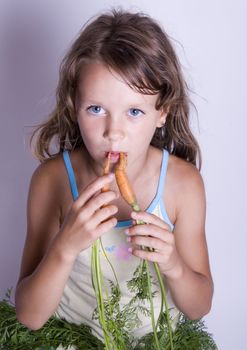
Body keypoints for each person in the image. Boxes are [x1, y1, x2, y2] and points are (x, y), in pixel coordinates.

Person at [15, 8, 213, 347]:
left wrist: (174, 265)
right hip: (69, 339)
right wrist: (65, 246)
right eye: (96, 109)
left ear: (162, 112)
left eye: (134, 112)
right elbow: (30, 316)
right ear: (73, 105)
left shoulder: (183, 185)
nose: (113, 132)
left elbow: (199, 307)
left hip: (156, 339)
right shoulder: (53, 181)